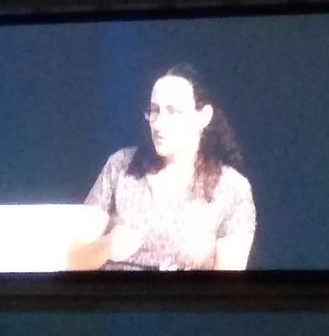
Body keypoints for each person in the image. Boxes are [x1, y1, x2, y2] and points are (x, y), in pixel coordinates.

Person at [70, 63, 256, 271]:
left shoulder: (232, 188)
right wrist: (105, 247)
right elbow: (72, 261)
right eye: (154, 110)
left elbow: (229, 290)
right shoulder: (121, 166)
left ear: (203, 117)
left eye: (173, 112)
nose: (158, 124)